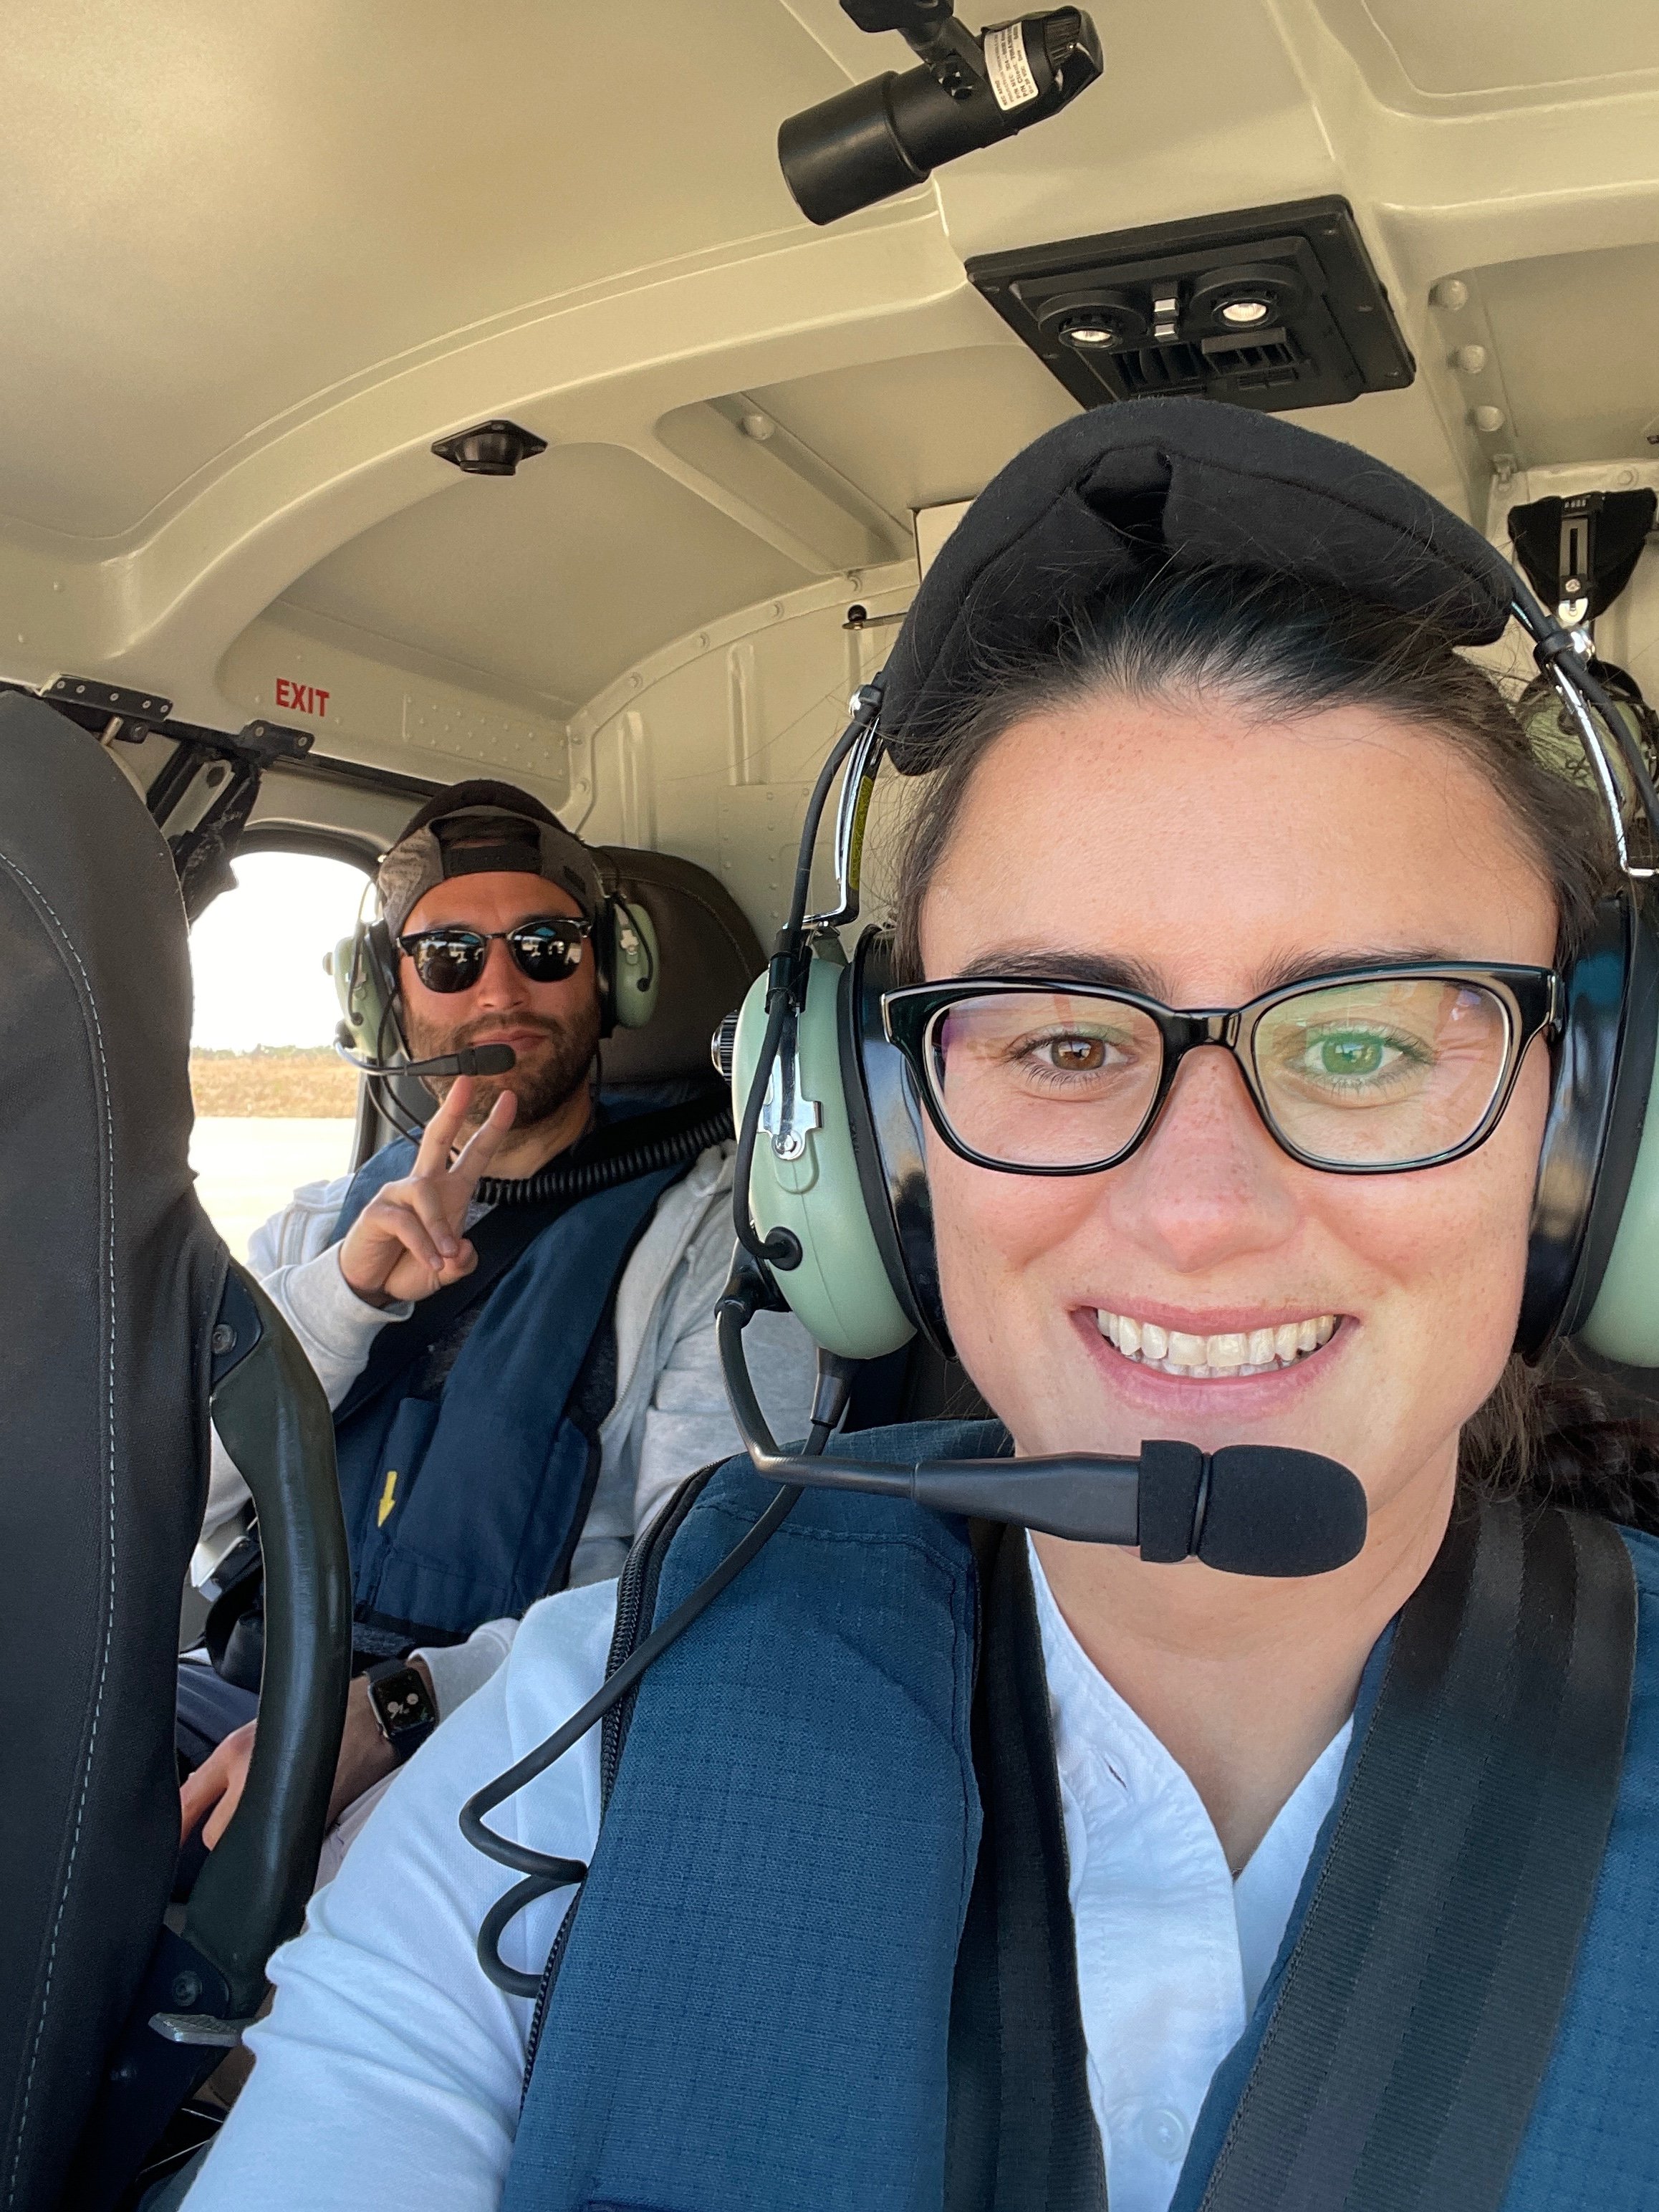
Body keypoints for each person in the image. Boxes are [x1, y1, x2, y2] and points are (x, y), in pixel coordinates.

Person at [175, 403, 1659, 2212]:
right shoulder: (587, 1731)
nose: (1197, 1211)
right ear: (881, 1152)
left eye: (1364, 1038)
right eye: (1056, 1038)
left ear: (1592, 1140)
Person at [176, 779, 814, 1860]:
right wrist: (350, 1299)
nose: (501, 989)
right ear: (388, 997)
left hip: (511, 1729)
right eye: (450, 958)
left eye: (545, 946)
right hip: (240, 1682)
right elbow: (171, 1496)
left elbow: (704, 1587)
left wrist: (397, 1710)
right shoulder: (317, 1228)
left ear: (613, 975)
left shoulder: (727, 1238)